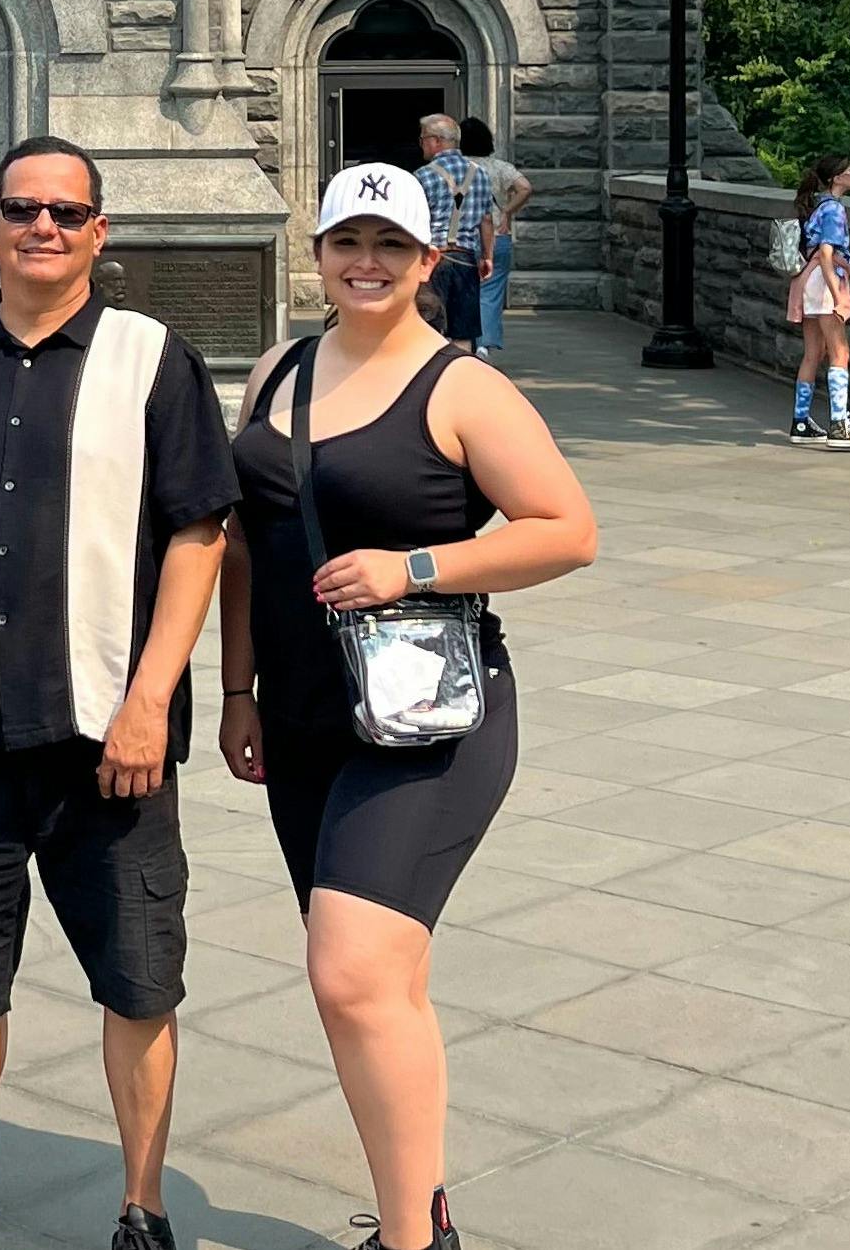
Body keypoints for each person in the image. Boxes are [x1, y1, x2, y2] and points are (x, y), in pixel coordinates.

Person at [0, 138, 240, 1250]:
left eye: (68, 214)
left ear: (98, 233)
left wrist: (151, 700)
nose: (45, 230)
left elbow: (200, 536)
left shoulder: (149, 359)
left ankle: (143, 1206)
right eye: (24, 209)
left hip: (105, 742)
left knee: (139, 983)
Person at [218, 165, 597, 1250]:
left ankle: (411, 1243)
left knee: (349, 972)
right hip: (299, 716)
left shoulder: (461, 386)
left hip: (429, 720)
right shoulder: (280, 373)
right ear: (321, 253)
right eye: (348, 242)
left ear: (432, 261)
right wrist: (236, 686)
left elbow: (567, 529)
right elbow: (249, 545)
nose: (367, 263)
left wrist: (415, 565)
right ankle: (415, 1208)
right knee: (381, 986)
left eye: (392, 245)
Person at [785, 155, 850, 451]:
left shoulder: (818, 206)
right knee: (839, 351)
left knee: (812, 354)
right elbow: (828, 253)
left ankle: (801, 422)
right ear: (836, 177)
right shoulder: (834, 210)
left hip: (808, 281)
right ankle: (840, 424)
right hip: (824, 282)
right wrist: (838, 292)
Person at [410, 116, 496, 353]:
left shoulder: (422, 176)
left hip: (433, 260)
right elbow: (486, 219)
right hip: (466, 260)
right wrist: (487, 256)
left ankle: (428, 378)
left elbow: (415, 221)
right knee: (463, 332)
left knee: (428, 326)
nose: (421, 144)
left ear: (436, 141)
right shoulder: (480, 174)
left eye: (423, 138)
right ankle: (460, 378)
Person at [457, 118, 531, 359]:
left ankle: (462, 340)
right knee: (490, 293)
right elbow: (525, 187)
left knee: (463, 291)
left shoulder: (457, 168)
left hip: (462, 235)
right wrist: (507, 211)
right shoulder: (499, 167)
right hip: (498, 232)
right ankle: (484, 345)